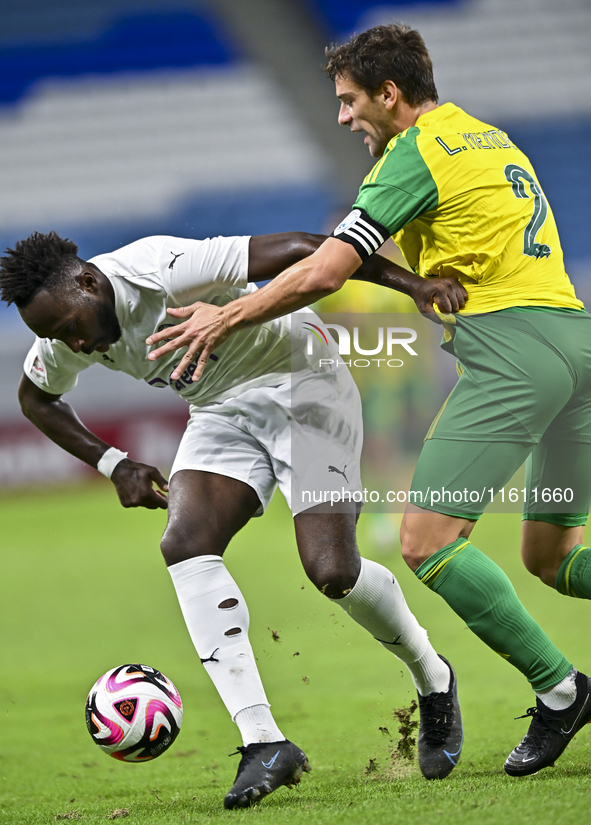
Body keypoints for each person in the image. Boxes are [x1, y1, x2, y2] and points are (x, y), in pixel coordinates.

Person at [144, 24, 591, 777]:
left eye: (351, 102)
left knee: (425, 541)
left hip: (515, 355)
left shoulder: (411, 154)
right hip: (574, 343)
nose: (345, 117)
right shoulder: (484, 137)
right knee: (550, 556)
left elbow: (324, 270)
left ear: (389, 95)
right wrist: (417, 282)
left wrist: (225, 313)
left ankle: (561, 693)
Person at [0, 229, 466, 808]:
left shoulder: (161, 268)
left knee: (332, 572)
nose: (71, 343)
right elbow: (35, 398)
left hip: (302, 380)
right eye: (53, 337)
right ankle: (263, 742)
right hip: (220, 409)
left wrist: (412, 284)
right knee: (185, 544)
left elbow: (304, 249)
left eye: (71, 326)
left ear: (90, 283)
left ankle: (433, 677)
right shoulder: (63, 333)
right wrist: (112, 462)